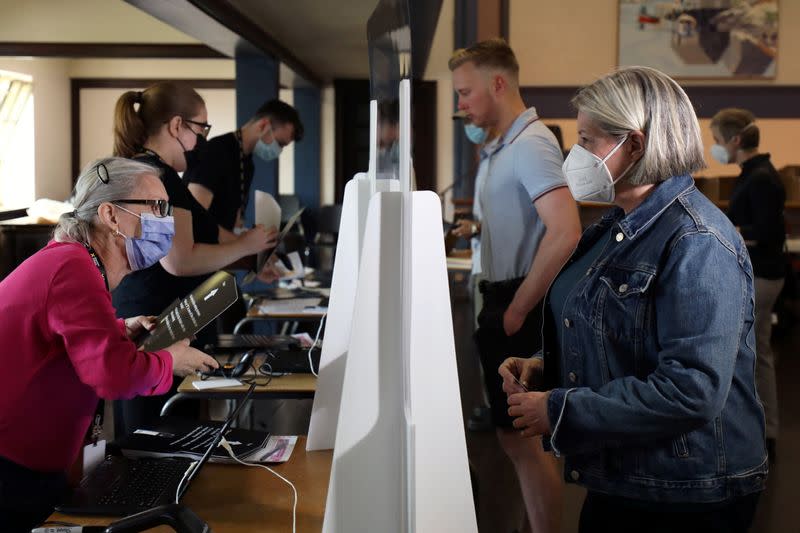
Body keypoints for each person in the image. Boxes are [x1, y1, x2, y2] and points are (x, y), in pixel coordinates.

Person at [499, 66, 767, 532]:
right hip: (631, 477)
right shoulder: (616, 226)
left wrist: (561, 409)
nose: (574, 154)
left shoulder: (696, 240)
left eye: (587, 140)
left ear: (636, 146)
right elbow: (624, 334)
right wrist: (546, 364)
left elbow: (691, 390)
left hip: (686, 491)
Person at [0, 158, 219, 533]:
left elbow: (64, 337)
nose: (166, 220)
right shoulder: (74, 268)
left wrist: (120, 329)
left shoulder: (73, 261)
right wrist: (171, 360)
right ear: (111, 215)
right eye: (156, 207)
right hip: (11, 466)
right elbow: (114, 376)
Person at [450, 38, 582, 533]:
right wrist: (481, 229)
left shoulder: (531, 144)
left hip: (518, 301)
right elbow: (524, 219)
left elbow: (565, 230)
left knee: (522, 439)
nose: (460, 105)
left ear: (497, 83)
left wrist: (517, 310)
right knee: (514, 439)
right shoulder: (501, 146)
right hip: (502, 296)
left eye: (465, 93)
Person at [111, 82, 278, 436]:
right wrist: (247, 245)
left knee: (179, 432)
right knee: (154, 441)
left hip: (171, 321)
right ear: (177, 126)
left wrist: (253, 257)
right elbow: (179, 260)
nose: (201, 141)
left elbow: (213, 236)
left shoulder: (166, 175)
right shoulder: (152, 178)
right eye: (200, 129)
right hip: (154, 323)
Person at [710, 107, 786, 462]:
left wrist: (734, 232)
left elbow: (767, 232)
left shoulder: (761, 178)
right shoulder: (752, 173)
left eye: (717, 140)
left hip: (763, 274)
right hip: (759, 273)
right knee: (758, 353)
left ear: (736, 140)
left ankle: (759, 433)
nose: (715, 147)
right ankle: (761, 430)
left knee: (754, 355)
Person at [183, 99, 304, 233]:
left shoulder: (248, 164)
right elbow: (194, 220)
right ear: (263, 125)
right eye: (280, 143)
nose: (279, 150)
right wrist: (243, 244)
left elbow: (233, 223)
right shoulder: (216, 151)